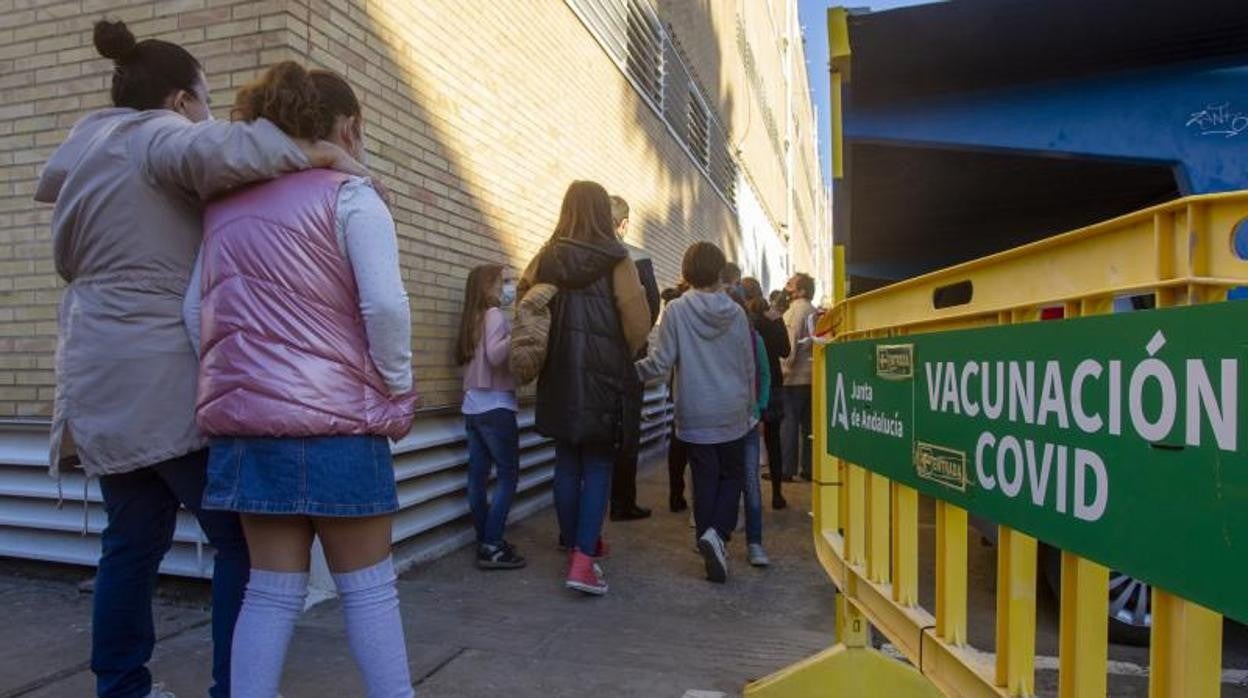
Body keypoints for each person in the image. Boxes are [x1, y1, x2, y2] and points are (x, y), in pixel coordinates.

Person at [35, 20, 364, 698]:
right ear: (182, 100)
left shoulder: (88, 152)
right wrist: (323, 150)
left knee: (130, 545)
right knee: (243, 542)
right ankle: (234, 688)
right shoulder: (154, 138)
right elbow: (235, 150)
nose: (207, 114)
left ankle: (121, 688)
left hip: (97, 378)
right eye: (205, 100)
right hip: (162, 376)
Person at [185, 62, 416, 697]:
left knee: (269, 592)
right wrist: (396, 386)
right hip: (341, 425)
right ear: (350, 126)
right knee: (369, 591)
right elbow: (387, 308)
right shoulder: (353, 195)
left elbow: (191, 314)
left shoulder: (224, 209)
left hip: (249, 433)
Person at [520, 181, 650, 595]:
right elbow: (638, 324)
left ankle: (575, 538)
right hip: (603, 375)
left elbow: (525, 303)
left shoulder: (545, 257)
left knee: (566, 459)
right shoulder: (618, 259)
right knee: (597, 463)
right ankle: (582, 562)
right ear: (601, 212)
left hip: (558, 373)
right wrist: (617, 352)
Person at [637, 242, 754, 583]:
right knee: (733, 476)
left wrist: (630, 371)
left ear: (687, 271)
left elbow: (661, 364)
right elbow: (747, 364)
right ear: (719, 271)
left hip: (694, 408)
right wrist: (750, 408)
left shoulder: (675, 310)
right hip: (732, 408)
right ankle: (718, 533)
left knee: (703, 479)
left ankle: (707, 536)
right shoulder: (736, 312)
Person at [455, 264, 526, 569]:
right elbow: (497, 356)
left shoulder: (470, 318)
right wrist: (520, 332)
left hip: (472, 406)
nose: (509, 287)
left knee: (477, 476)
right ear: (488, 287)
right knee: (508, 475)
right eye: (504, 281)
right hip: (496, 407)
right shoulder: (495, 315)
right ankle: (493, 544)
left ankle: (486, 538)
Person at [608, 195, 660, 522]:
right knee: (627, 429)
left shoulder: (579, 254)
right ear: (624, 224)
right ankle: (622, 502)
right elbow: (650, 309)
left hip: (588, 361)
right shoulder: (638, 259)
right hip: (628, 359)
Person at [730, 291, 773, 567]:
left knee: (750, 484)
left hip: (745, 421)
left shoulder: (754, 338)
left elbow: (765, 375)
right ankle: (716, 536)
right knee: (720, 482)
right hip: (721, 421)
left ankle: (755, 542)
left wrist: (759, 408)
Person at [742, 277, 790, 509]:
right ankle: (778, 494)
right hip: (774, 385)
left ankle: (749, 498)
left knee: (747, 442)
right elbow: (785, 350)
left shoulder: (745, 320)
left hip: (750, 386)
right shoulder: (774, 319)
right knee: (774, 441)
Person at [781, 273, 818, 482]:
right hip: (811, 377)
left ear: (801, 290)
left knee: (789, 424)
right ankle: (809, 468)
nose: (787, 287)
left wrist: (784, 372)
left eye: (791, 284)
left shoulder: (795, 311)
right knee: (809, 428)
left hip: (794, 378)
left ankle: (787, 469)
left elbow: (790, 345)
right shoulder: (814, 311)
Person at [659, 282, 690, 513]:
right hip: (693, 385)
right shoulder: (683, 309)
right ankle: (680, 496)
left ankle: (676, 494)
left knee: (678, 444)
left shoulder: (676, 308)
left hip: (679, 384)